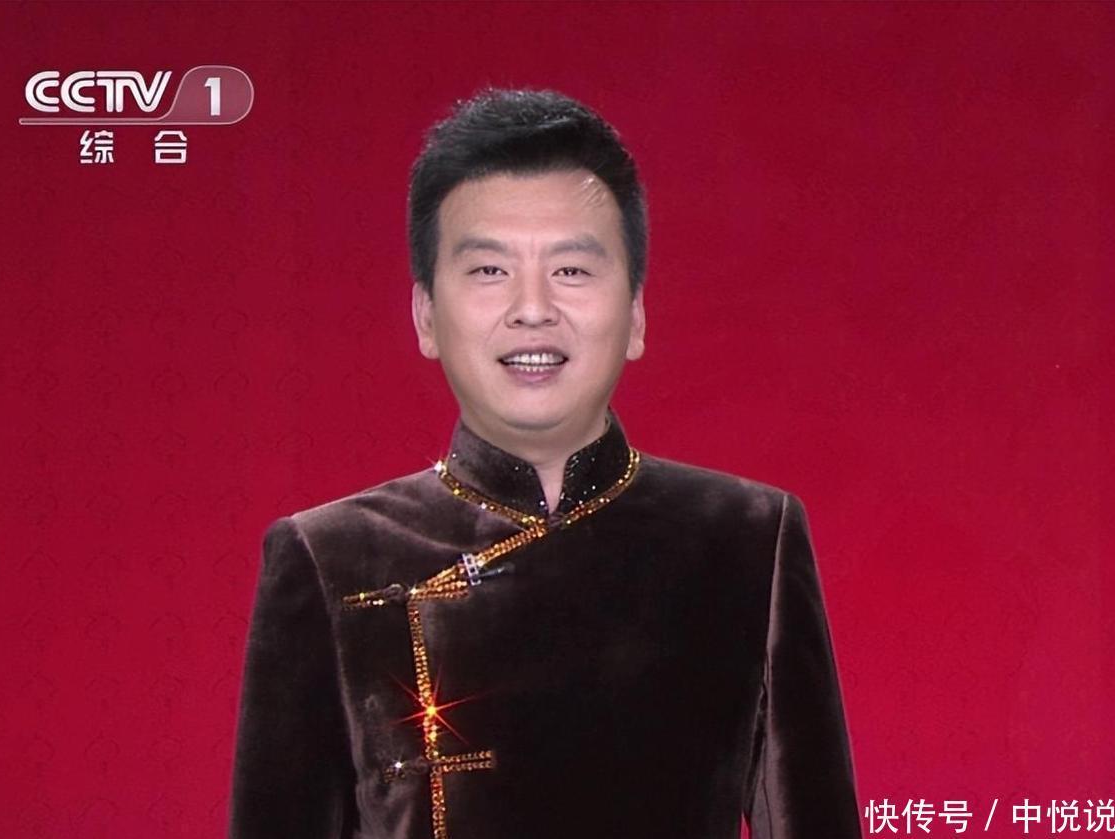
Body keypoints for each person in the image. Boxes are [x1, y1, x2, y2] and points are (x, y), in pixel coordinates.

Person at [228, 87, 860, 839]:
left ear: (636, 315)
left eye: (572, 270)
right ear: (426, 315)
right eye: (489, 270)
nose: (532, 308)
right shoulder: (326, 555)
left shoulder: (748, 537)